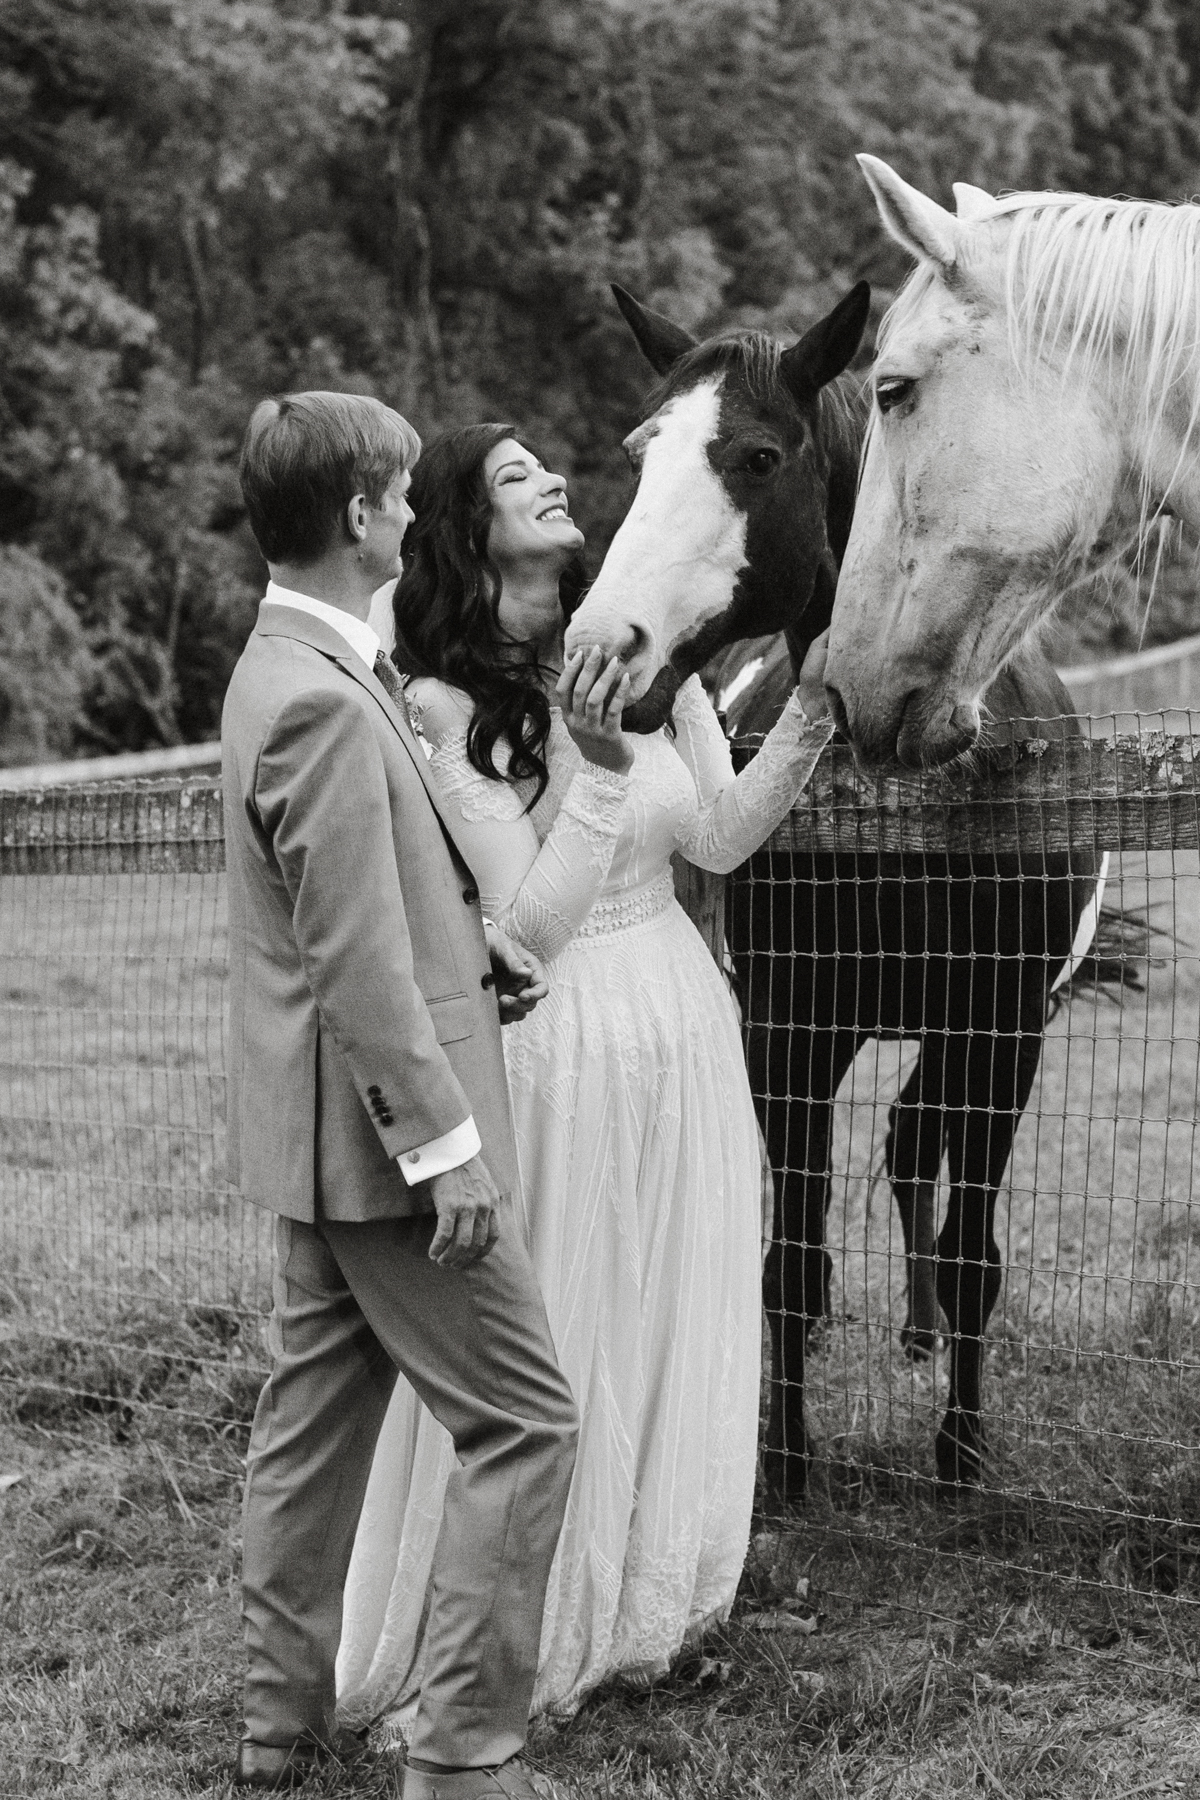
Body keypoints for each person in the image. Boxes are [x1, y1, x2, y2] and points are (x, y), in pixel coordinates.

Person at [337, 422, 834, 1731]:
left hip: (684, 1025)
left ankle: (646, 1608)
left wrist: (816, 703)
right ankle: (511, 1631)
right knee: (566, 1331)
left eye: (550, 466)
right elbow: (525, 925)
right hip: (558, 1046)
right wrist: (592, 760)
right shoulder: (439, 703)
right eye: (516, 475)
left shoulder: (646, 659)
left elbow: (720, 838)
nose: (556, 479)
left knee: (670, 1299)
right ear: (463, 526)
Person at [222, 391, 581, 1800]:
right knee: (526, 1420)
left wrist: (470, 946)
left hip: (320, 1134)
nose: (412, 513)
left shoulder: (292, 661)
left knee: (311, 1432)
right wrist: (449, 1154)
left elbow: (360, 902)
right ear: (366, 513)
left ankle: (276, 1729)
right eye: (397, 492)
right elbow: (354, 964)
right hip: (385, 1147)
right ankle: (466, 1757)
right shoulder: (319, 696)